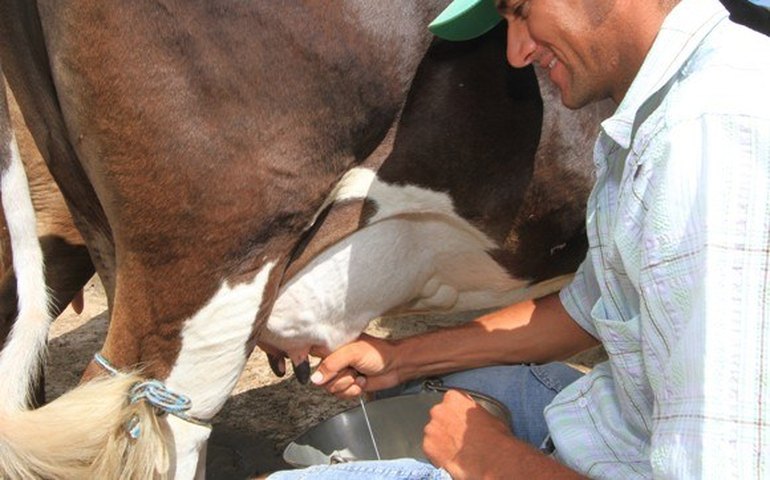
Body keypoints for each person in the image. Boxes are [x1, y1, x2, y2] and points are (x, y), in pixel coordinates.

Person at [268, 0, 770, 477]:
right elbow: (590, 308)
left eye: (523, 12)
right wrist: (399, 358)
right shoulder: (659, 109)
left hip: (617, 456)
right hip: (618, 423)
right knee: (411, 396)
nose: (516, 52)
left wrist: (491, 460)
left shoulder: (707, 141)